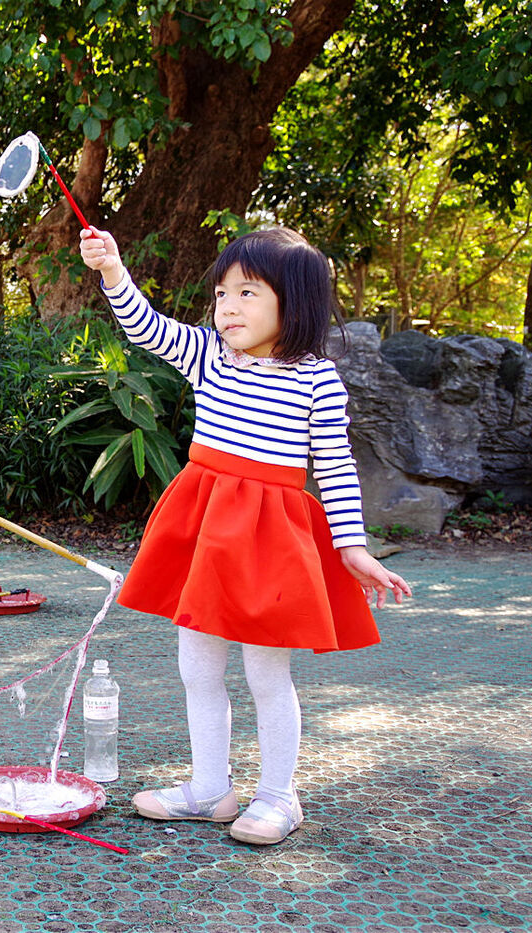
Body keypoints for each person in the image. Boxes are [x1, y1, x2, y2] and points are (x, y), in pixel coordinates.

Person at [80, 224, 411, 845]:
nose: (227, 306)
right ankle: (211, 789)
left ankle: (279, 797)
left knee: (266, 671)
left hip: (269, 537)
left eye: (248, 293)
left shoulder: (316, 379)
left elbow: (335, 466)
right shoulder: (211, 354)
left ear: (296, 303)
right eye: (221, 294)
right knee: (196, 663)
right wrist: (112, 272)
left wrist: (353, 547)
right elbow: (146, 327)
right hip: (205, 523)